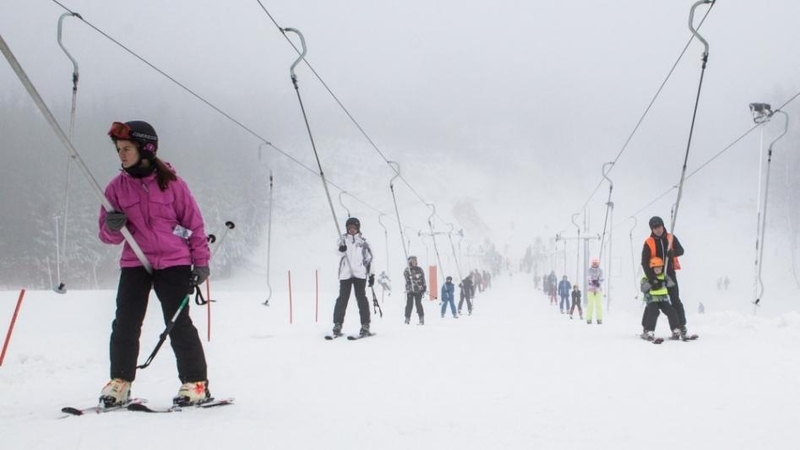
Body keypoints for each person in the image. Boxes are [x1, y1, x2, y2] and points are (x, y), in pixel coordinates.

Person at [99, 120, 211, 407]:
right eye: (119, 149)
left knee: (177, 323)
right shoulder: (116, 189)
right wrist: (113, 227)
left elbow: (194, 225)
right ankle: (120, 382)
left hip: (173, 261)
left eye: (127, 148)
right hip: (135, 261)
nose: (121, 154)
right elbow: (107, 236)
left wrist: (200, 263)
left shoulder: (172, 184)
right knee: (125, 323)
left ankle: (195, 383)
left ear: (146, 149)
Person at [641, 216, 692, 338]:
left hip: (669, 273)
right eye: (655, 228)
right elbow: (644, 261)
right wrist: (652, 278)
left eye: (659, 227)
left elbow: (681, 250)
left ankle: (681, 326)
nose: (658, 230)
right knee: (652, 301)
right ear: (652, 229)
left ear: (663, 226)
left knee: (675, 299)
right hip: (654, 275)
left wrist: (673, 253)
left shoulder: (670, 238)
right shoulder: (649, 242)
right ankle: (646, 327)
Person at [332, 217, 374, 337]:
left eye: (354, 228)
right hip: (346, 274)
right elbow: (338, 252)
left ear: (358, 228)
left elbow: (369, 259)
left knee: (361, 299)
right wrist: (341, 249)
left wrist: (371, 274)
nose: (351, 230)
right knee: (342, 299)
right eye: (349, 228)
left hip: (359, 274)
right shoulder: (343, 239)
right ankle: (337, 324)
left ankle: (365, 325)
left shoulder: (363, 242)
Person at [640, 257, 682, 341]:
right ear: (652, 268)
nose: (658, 269)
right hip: (652, 300)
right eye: (656, 268)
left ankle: (675, 329)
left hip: (663, 299)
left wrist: (665, 282)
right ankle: (648, 330)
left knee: (671, 312)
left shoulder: (664, 276)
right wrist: (652, 283)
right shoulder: (647, 277)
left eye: (660, 267)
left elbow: (671, 284)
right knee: (654, 312)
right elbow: (643, 288)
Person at [404, 255, 426, 324]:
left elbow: (423, 279)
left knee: (418, 304)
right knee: (409, 304)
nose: (415, 262)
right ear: (410, 262)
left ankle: (421, 319)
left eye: (416, 260)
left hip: (418, 290)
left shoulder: (420, 269)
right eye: (413, 261)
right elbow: (406, 278)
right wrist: (410, 277)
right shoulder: (407, 270)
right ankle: (407, 318)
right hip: (410, 290)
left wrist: (424, 287)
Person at [586, 258, 604, 324]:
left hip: (598, 290)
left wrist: (598, 283)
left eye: (595, 263)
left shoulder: (600, 271)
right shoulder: (589, 270)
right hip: (590, 290)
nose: (594, 264)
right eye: (593, 263)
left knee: (598, 305)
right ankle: (588, 319)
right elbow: (589, 278)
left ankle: (599, 319)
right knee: (590, 305)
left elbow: (601, 278)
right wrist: (594, 282)